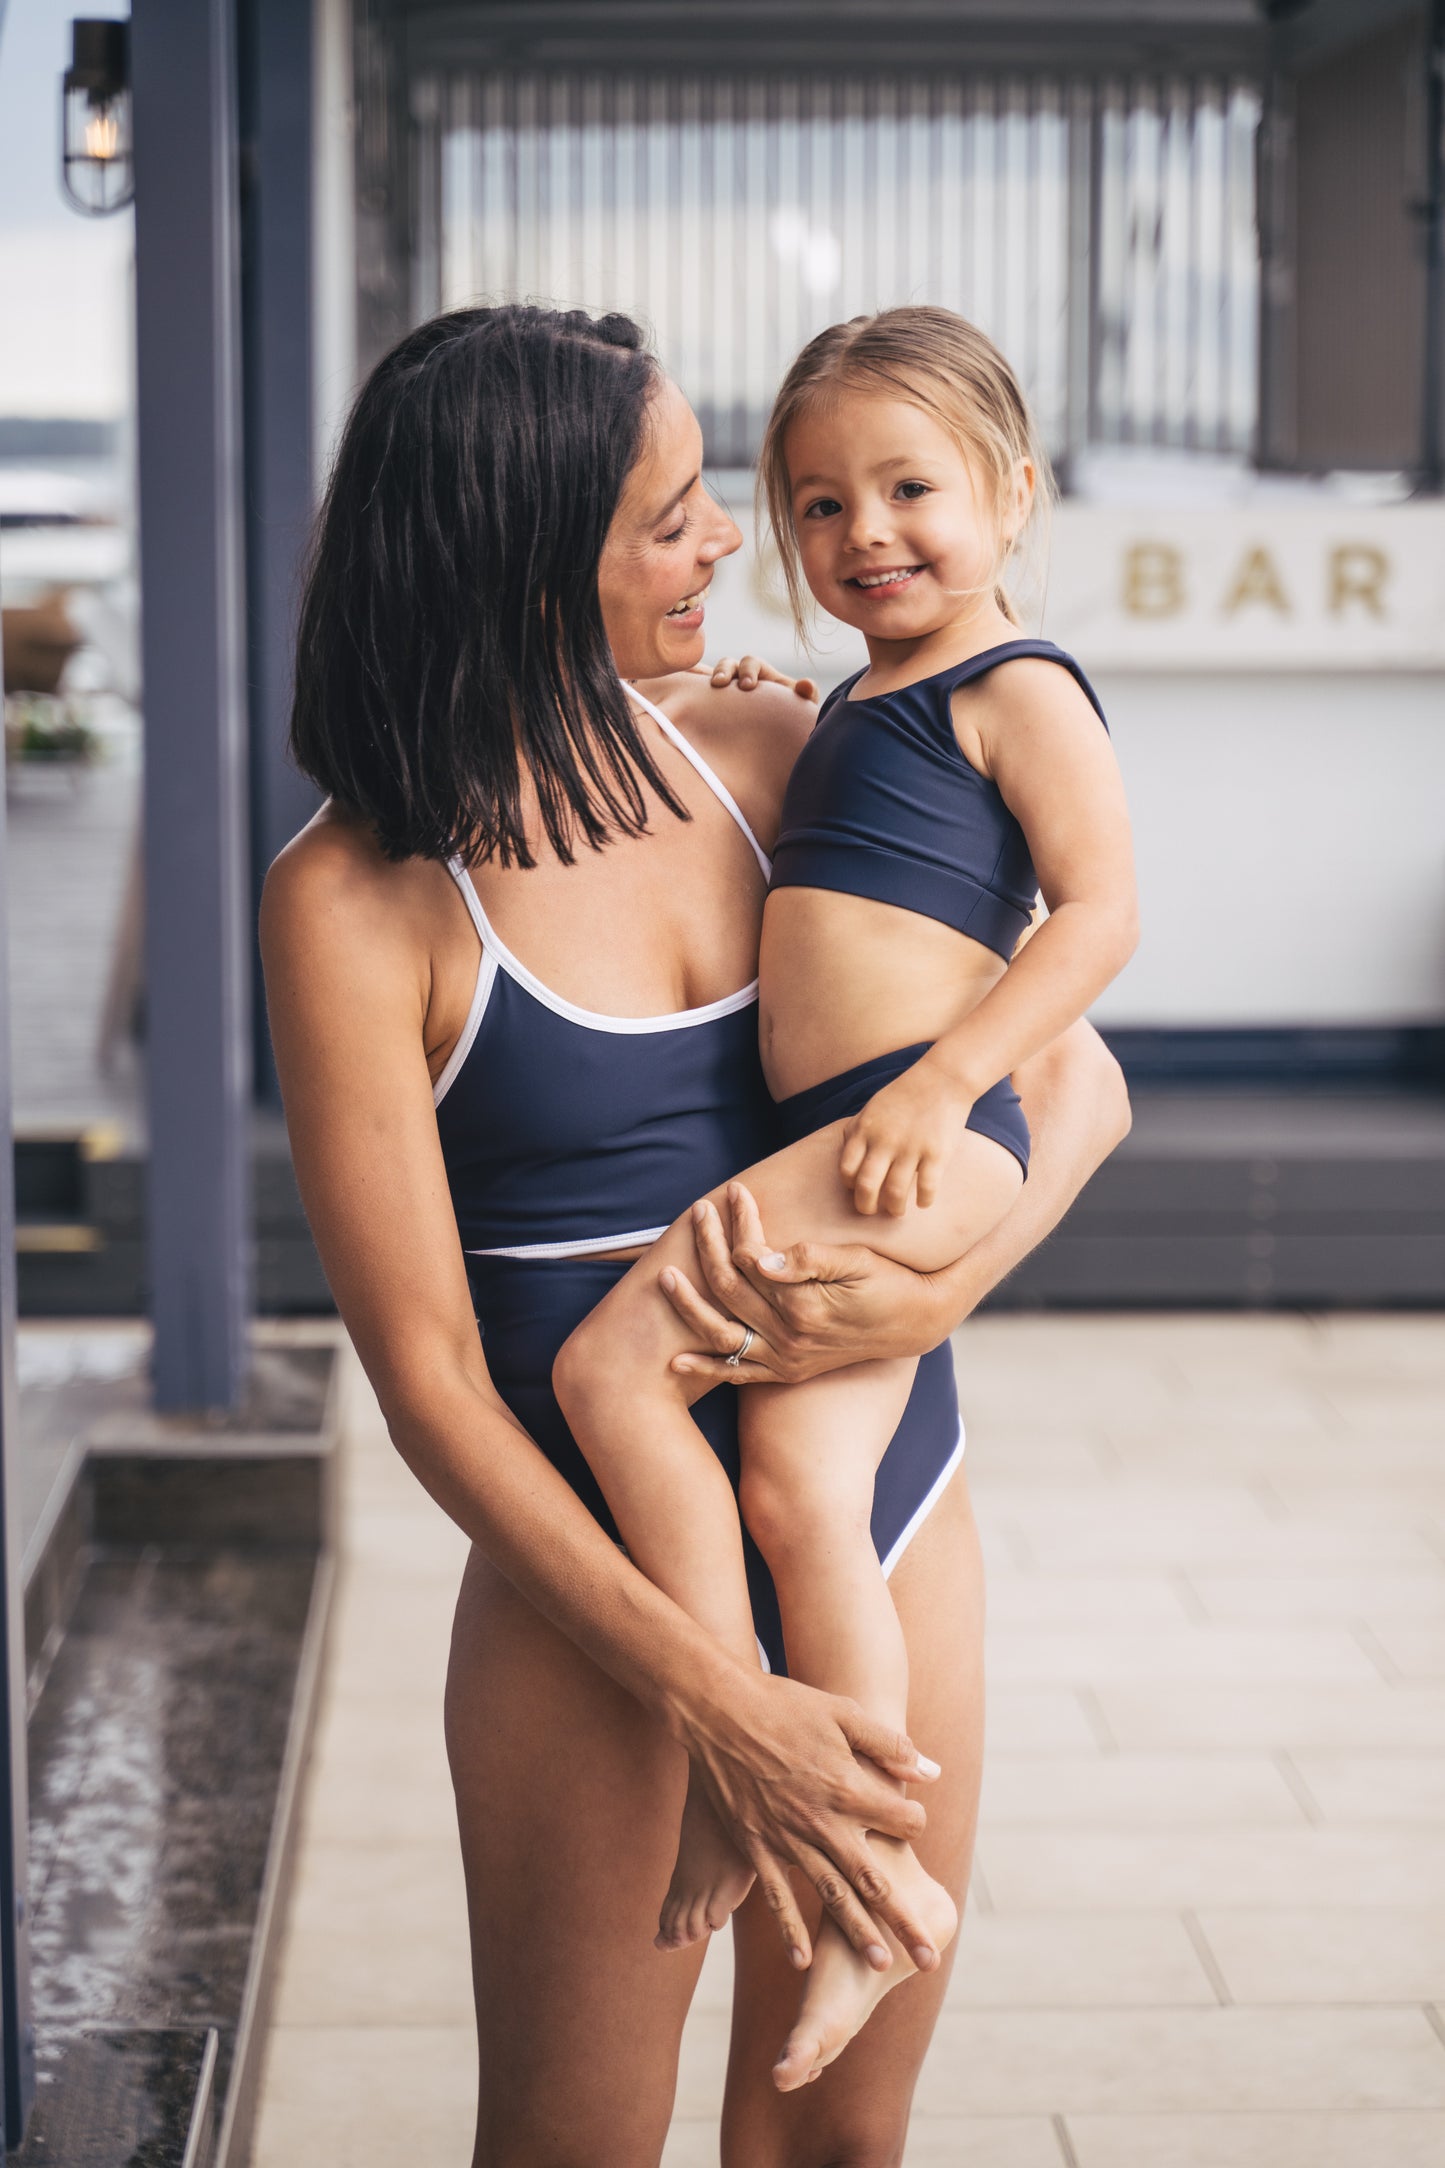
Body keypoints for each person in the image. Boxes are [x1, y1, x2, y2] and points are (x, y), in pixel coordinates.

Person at [261, 302, 1130, 2168]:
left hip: (883, 1510)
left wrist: (938, 1285)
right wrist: (715, 1697)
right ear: (525, 559)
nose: (735, 540)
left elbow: (1073, 1085)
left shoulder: (772, 746)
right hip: (602, 1605)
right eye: (672, 517)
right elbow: (426, 1385)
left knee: (832, 2139)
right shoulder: (349, 898)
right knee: (571, 2143)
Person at [554, 305, 1138, 2088]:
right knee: (799, 1491)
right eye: (818, 504)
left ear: (1011, 494)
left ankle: (763, 1793)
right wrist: (755, 705)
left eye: (909, 490)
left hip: (908, 1131)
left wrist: (948, 1084)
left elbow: (1099, 915)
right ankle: (858, 1869)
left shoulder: (1015, 686)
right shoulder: (856, 703)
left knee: (611, 1372)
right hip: (858, 1128)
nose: (863, 533)